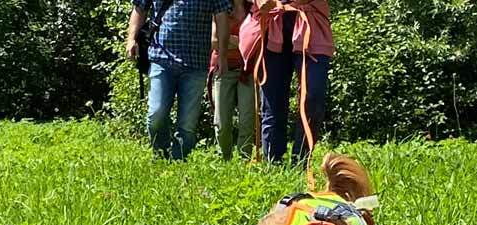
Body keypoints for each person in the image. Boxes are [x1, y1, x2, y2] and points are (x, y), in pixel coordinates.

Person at [126, 0, 232, 160]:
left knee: (187, 125)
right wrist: (131, 39)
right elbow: (139, 9)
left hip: (196, 63)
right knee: (156, 115)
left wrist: (223, 56)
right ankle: (161, 155)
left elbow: (222, 18)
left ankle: (178, 163)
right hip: (161, 59)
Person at [240, 0, 334, 166]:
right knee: (272, 104)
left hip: (311, 23)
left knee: (313, 96)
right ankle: (272, 166)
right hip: (272, 24)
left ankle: (301, 163)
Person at [210, 0, 256, 161]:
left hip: (248, 70)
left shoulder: (253, 9)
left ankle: (245, 161)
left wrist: (229, 39)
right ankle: (225, 160)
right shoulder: (220, 7)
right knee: (221, 123)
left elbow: (258, 40)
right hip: (224, 68)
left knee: (247, 120)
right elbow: (214, 42)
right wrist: (243, 41)